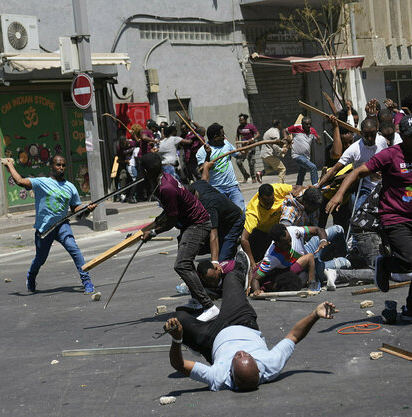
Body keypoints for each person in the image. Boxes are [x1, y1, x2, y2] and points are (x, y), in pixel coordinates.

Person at [328, 114, 412, 322]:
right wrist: (338, 195)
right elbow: (357, 172)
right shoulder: (390, 155)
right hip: (394, 216)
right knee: (411, 260)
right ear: (403, 137)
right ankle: (386, 264)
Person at [163, 267, 336, 391]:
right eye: (247, 355)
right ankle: (239, 270)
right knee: (231, 278)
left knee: (177, 319)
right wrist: (315, 314)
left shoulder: (218, 377)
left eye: (238, 356)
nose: (242, 351)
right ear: (259, 368)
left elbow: (178, 365)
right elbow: (294, 335)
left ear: (230, 373)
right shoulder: (271, 364)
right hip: (241, 321)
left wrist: (176, 339)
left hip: (212, 339)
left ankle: (192, 341)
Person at [141, 152, 221, 322]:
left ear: (146, 172)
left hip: (198, 224)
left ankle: (209, 306)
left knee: (182, 265)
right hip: (190, 223)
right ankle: (197, 302)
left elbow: (172, 219)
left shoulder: (165, 188)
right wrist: (152, 225)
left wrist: (153, 232)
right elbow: (170, 212)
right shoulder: (164, 179)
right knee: (186, 263)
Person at [2, 156, 97, 294]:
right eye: (58, 165)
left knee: (74, 249)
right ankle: (31, 275)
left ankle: (86, 280)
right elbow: (20, 181)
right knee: (40, 259)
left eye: (64, 165)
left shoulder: (70, 187)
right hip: (44, 228)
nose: (61, 168)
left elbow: (75, 208)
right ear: (51, 166)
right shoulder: (42, 182)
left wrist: (86, 208)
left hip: (62, 225)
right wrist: (10, 165)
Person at [319, 118, 385, 211]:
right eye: (366, 135)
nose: (370, 138)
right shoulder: (354, 150)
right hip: (366, 189)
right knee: (358, 214)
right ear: (361, 133)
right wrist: (318, 186)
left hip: (384, 186)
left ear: (377, 132)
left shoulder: (382, 141)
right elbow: (334, 169)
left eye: (372, 135)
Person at [191, 161, 246, 262]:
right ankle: (229, 245)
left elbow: (214, 234)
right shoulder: (197, 185)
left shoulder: (208, 205)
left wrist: (214, 261)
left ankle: (234, 254)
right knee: (196, 246)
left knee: (222, 261)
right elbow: (205, 178)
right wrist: (206, 167)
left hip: (235, 221)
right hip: (223, 219)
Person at [240, 183, 293, 271]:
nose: (269, 205)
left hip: (277, 229)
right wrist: (252, 263)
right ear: (259, 198)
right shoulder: (253, 212)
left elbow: (297, 188)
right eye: (265, 202)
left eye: (271, 201)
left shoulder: (277, 189)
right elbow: (243, 239)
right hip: (261, 234)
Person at [196, 123, 244, 209]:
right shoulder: (201, 152)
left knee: (241, 212)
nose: (224, 137)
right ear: (216, 137)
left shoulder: (226, 144)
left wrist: (245, 151)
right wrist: (208, 155)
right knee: (225, 216)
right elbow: (202, 171)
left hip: (232, 187)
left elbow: (238, 155)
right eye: (222, 135)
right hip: (217, 189)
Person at [286, 118, 321, 186]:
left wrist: (319, 139)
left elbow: (319, 142)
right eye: (306, 124)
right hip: (297, 155)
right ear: (302, 124)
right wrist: (286, 137)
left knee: (302, 174)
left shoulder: (312, 131)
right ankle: (315, 186)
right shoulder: (297, 128)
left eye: (309, 124)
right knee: (313, 167)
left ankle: (297, 187)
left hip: (306, 157)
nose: (308, 126)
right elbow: (285, 130)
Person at [255, 119, 287, 183]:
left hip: (264, 155)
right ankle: (280, 185)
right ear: (278, 124)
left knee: (273, 167)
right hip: (269, 154)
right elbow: (275, 145)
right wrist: (281, 150)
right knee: (282, 169)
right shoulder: (275, 132)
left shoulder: (268, 131)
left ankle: (260, 173)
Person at [234, 114, 259, 183]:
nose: (240, 122)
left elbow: (257, 134)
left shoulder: (251, 126)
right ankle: (245, 175)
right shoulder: (239, 127)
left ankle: (253, 177)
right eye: (239, 120)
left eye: (241, 120)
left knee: (251, 162)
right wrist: (238, 147)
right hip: (243, 148)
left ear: (245, 120)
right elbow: (237, 137)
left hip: (251, 147)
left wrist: (252, 139)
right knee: (238, 161)